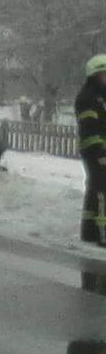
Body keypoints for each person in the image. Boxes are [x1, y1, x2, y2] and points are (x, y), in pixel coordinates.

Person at [76, 54, 106, 246]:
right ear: (95, 75)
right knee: (101, 192)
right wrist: (100, 153)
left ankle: (89, 232)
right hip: (96, 152)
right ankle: (101, 233)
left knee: (95, 189)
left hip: (101, 151)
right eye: (104, 74)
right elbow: (90, 129)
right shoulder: (87, 98)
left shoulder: (100, 96)